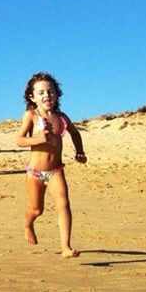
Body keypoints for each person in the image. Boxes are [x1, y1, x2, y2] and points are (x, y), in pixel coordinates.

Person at [15, 72, 87, 258]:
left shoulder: (61, 117)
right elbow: (19, 140)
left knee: (64, 203)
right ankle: (28, 224)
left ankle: (66, 247)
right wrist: (37, 139)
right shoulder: (31, 115)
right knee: (37, 209)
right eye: (41, 93)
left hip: (56, 170)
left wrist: (79, 151)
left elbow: (75, 133)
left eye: (50, 91)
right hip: (35, 173)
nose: (47, 95)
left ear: (57, 94)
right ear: (32, 97)